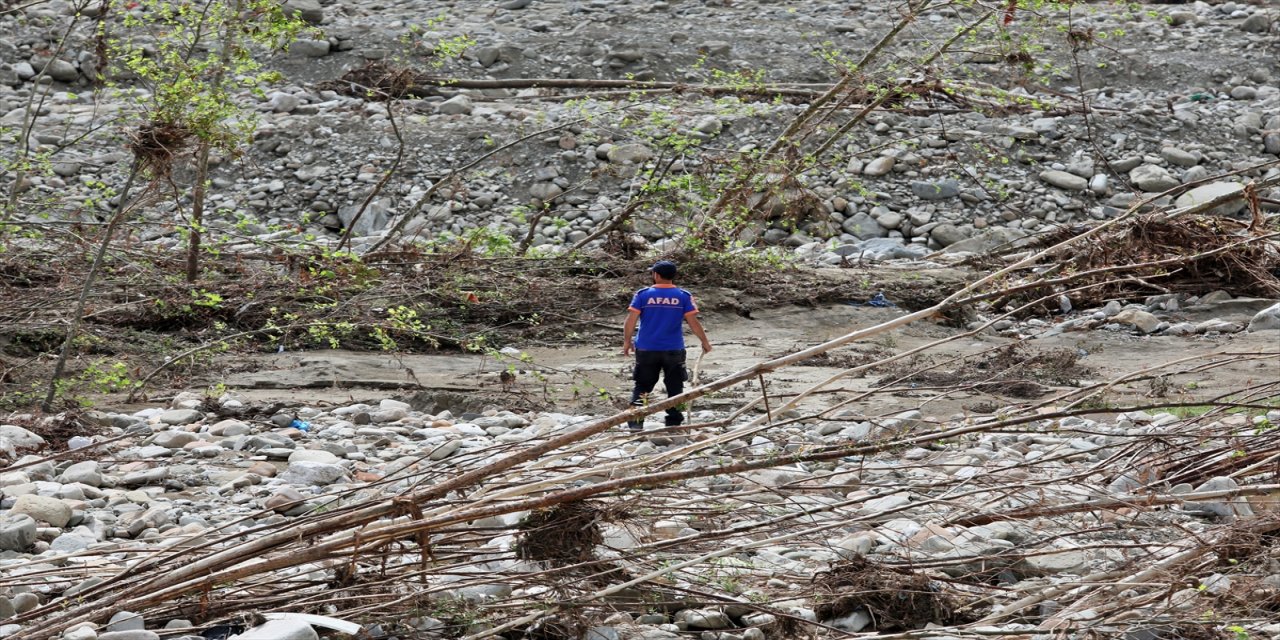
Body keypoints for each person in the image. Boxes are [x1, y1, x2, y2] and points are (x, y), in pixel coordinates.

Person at [622, 260, 712, 430]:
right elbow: (693, 322)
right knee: (675, 387)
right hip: (673, 350)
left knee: (642, 386)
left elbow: (631, 320)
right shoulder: (683, 296)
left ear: (655, 275)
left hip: (646, 349)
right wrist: (705, 342)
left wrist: (627, 341)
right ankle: (674, 423)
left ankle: (635, 423)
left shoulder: (643, 295)